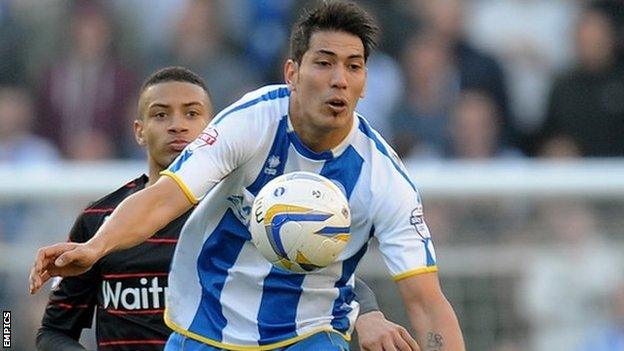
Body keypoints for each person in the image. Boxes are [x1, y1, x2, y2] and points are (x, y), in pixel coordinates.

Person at [30, 2, 464, 350]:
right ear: (292, 73)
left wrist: (368, 313)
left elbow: (426, 301)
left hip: (309, 332)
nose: (338, 80)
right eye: (324, 63)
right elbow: (164, 198)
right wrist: (96, 245)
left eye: (353, 67)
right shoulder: (253, 121)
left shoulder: (383, 178)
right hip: (208, 324)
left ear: (365, 82)